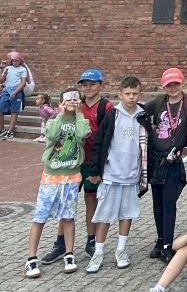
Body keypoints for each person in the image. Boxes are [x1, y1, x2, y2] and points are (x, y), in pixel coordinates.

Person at [41, 68, 112, 264]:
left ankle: (91, 240)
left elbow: (107, 136)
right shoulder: (73, 104)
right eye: (85, 85)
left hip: (92, 161)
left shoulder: (105, 107)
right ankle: (60, 243)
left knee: (91, 200)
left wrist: (101, 164)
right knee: (65, 203)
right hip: (71, 161)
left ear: (100, 85)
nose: (88, 88)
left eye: (92, 84)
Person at [85, 75, 150, 273]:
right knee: (105, 215)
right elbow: (99, 143)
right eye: (127, 93)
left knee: (126, 214)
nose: (131, 97)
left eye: (135, 93)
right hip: (112, 175)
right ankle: (98, 252)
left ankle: (121, 250)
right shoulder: (112, 115)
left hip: (132, 176)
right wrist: (95, 170)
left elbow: (147, 145)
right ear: (120, 94)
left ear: (140, 94)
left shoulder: (142, 116)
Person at [25, 88, 90, 278]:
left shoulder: (80, 120)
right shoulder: (54, 120)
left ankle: (69, 254)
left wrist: (79, 114)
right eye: (68, 99)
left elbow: (83, 135)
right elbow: (52, 137)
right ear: (60, 102)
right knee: (40, 216)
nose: (71, 102)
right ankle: (31, 258)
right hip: (52, 176)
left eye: (75, 99)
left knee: (68, 216)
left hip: (71, 175)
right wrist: (60, 115)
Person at [142, 67, 187, 263]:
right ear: (164, 86)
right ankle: (160, 239)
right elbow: (139, 111)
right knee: (157, 203)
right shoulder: (157, 103)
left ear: (182, 83)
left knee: (169, 203)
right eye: (169, 85)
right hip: (156, 160)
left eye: (176, 84)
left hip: (173, 161)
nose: (173, 88)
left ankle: (167, 244)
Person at [0, 49, 31, 139]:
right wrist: (1, 69)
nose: (14, 62)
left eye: (16, 60)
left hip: (17, 92)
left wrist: (15, 91)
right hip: (7, 91)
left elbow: (23, 83)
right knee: (0, 109)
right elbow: (1, 80)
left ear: (20, 60)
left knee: (14, 112)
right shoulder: (7, 68)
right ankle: (2, 129)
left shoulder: (22, 69)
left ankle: (10, 131)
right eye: (13, 60)